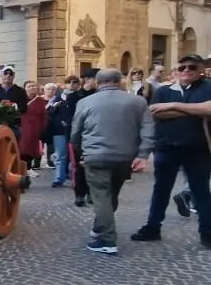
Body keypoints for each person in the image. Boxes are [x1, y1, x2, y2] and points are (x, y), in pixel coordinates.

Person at [69, 70, 154, 254]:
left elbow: (75, 132)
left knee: (101, 197)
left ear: (98, 83)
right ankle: (101, 227)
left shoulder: (85, 102)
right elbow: (148, 130)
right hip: (125, 157)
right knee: (111, 194)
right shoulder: (137, 102)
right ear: (120, 81)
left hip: (95, 156)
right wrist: (143, 154)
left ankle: (107, 240)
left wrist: (80, 151)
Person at [133, 54, 211, 247]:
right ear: (176, 70)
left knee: (200, 191)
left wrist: (174, 106)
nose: (186, 71)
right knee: (161, 189)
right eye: (182, 67)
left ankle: (207, 232)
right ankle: (153, 227)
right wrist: (195, 110)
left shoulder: (208, 87)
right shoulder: (164, 90)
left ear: (200, 70)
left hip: (198, 148)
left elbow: (209, 110)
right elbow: (156, 113)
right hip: (166, 147)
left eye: (192, 67)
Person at [68, 69, 99, 207]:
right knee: (78, 168)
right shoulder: (74, 97)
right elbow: (70, 119)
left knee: (94, 166)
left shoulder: (99, 96)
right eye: (96, 79)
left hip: (95, 135)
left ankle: (91, 193)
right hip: (78, 136)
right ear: (88, 79)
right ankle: (79, 194)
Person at [47, 77, 77, 187]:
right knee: (60, 155)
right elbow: (50, 113)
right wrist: (55, 107)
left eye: (74, 82)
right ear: (65, 84)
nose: (71, 84)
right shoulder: (58, 97)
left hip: (75, 130)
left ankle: (75, 179)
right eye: (69, 82)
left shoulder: (79, 97)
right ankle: (59, 178)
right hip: (59, 129)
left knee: (75, 156)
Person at [0, 66, 29, 138]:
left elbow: (24, 109)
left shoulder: (20, 91)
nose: (8, 75)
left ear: (14, 76)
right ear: (1, 75)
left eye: (10, 74)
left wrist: (14, 107)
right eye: (5, 73)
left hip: (14, 125)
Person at [20, 80, 47, 176]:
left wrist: (43, 128)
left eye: (34, 86)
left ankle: (28, 167)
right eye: (29, 86)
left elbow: (43, 115)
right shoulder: (20, 99)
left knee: (31, 148)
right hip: (22, 126)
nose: (32, 88)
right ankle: (22, 168)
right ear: (25, 88)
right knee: (22, 148)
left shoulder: (41, 101)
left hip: (35, 127)